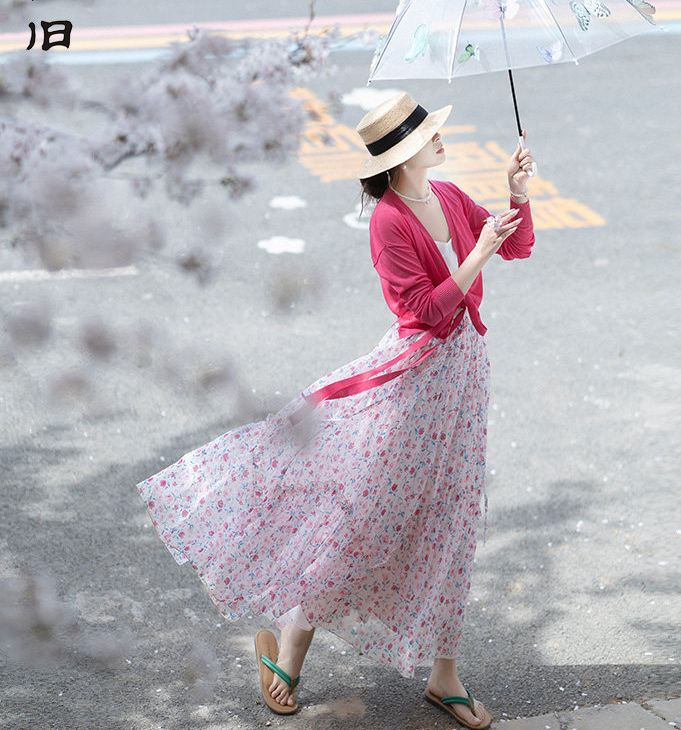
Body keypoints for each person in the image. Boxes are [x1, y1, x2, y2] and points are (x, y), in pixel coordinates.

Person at [136, 92, 535, 730]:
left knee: (453, 519)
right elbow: (423, 315)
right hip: (411, 385)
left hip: (462, 382)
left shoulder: (453, 197)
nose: (440, 139)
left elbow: (517, 247)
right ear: (404, 154)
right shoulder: (389, 221)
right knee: (360, 516)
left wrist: (515, 197)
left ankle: (444, 676)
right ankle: (289, 645)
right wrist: (477, 255)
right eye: (430, 134)